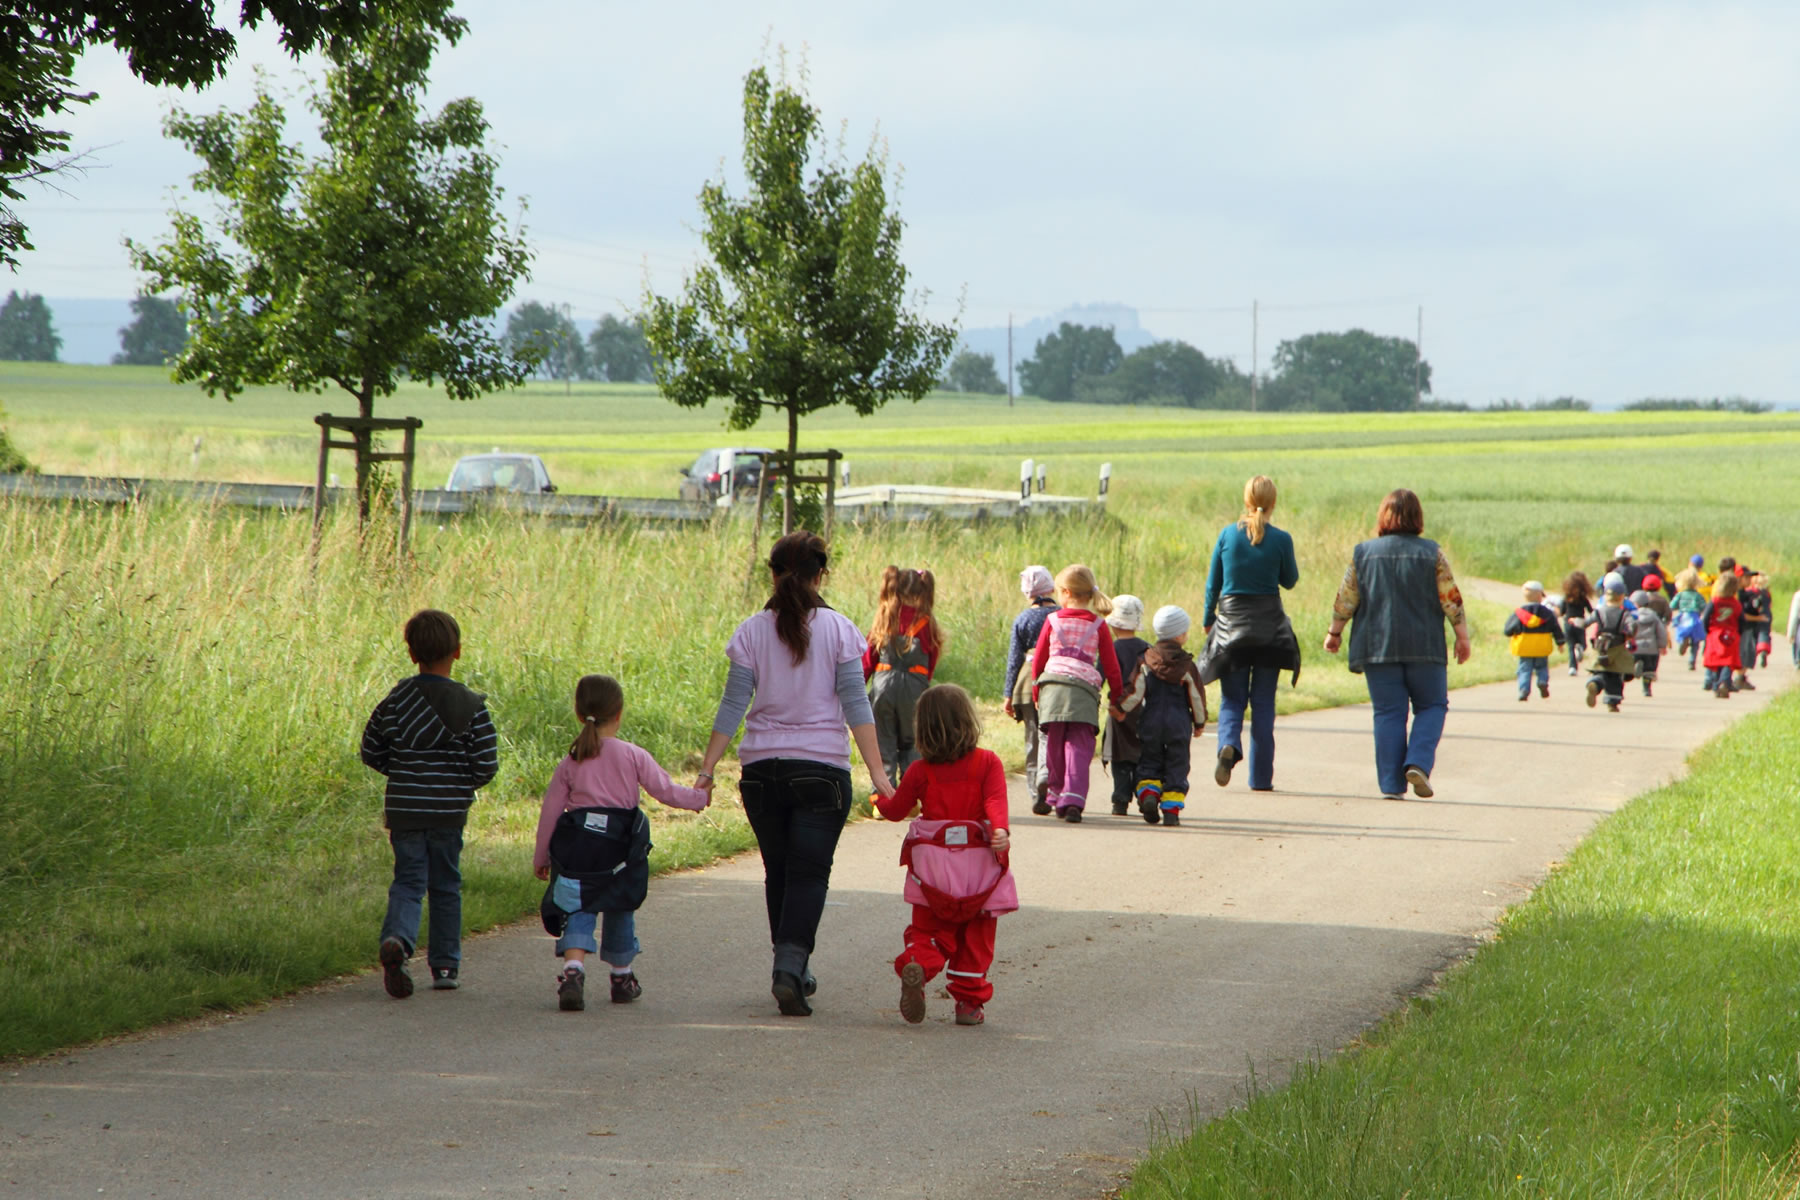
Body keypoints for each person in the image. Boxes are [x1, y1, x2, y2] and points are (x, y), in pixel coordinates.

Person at [697, 531, 896, 1016]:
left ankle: (791, 964)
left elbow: (732, 704)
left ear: (773, 572)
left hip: (761, 773)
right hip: (822, 772)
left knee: (779, 872)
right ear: (820, 574)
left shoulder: (750, 631)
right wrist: (879, 774)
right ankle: (789, 966)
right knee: (808, 875)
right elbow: (855, 703)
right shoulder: (841, 630)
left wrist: (706, 769)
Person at [533, 674, 710, 1012]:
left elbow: (551, 813)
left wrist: (542, 856)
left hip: (579, 849)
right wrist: (699, 798)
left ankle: (573, 969)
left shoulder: (571, 761)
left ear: (578, 712)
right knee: (619, 904)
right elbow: (665, 791)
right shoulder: (632, 754)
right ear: (619, 714)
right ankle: (621, 975)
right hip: (620, 849)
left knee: (577, 903)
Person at [361, 608, 499, 998]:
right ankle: (444, 965)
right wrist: (461, 782)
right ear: (457, 651)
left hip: (405, 808)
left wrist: (403, 772)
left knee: (408, 881)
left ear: (411, 654)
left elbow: (371, 749)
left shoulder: (395, 700)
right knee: (445, 885)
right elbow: (486, 763)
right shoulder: (471, 706)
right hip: (448, 811)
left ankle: (399, 942)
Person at [875, 685, 1014, 1028]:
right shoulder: (988, 763)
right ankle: (968, 1004)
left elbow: (896, 811)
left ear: (922, 728)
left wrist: (879, 800)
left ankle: (918, 966)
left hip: (934, 872)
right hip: (978, 871)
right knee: (976, 935)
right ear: (968, 721)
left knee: (929, 930)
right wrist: (999, 829)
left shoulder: (920, 771)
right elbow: (995, 801)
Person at [1323, 488, 1471, 801]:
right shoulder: (1432, 553)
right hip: (1425, 647)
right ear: (1418, 518)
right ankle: (1417, 762)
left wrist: (1334, 632)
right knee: (1432, 706)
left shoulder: (1363, 553)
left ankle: (1392, 785)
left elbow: (1347, 597)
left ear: (1383, 516)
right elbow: (1450, 598)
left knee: (1389, 713)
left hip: (1377, 647)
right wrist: (1462, 635)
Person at [1198, 474, 1301, 792]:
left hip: (1232, 626)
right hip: (1269, 628)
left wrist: (1207, 619)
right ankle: (1260, 778)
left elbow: (1213, 583)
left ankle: (1228, 745)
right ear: (1273, 503)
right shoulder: (1281, 538)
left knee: (1232, 698)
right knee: (1264, 704)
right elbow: (1290, 580)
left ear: (1246, 500)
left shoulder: (1227, 534)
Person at [1030, 563, 1124, 823]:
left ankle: (1055, 792)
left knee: (1055, 745)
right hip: (1083, 692)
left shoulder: (1051, 620)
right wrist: (1117, 696)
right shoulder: (1099, 626)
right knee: (1079, 746)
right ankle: (1073, 799)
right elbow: (1111, 666)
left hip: (1053, 689)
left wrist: (1037, 693)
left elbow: (1038, 661)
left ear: (1066, 592)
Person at [1118, 605, 1208, 826]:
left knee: (1149, 761)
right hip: (1178, 724)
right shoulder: (1187, 666)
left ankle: (1149, 794)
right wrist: (1199, 722)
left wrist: (1121, 709)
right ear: (1179, 635)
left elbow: (1136, 691)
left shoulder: (1146, 660)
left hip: (1150, 721)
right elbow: (1196, 697)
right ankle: (1171, 811)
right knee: (1178, 765)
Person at [864, 566, 942, 786]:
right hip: (915, 687)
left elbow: (869, 658)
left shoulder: (885, 616)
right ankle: (910, 794)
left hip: (883, 686)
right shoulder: (927, 622)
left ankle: (882, 796)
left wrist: (859, 684)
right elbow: (931, 660)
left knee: (883, 740)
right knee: (913, 741)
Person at [1003, 565, 1059, 808]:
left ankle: (1037, 792)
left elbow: (1014, 659)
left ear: (1027, 592)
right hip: (1057, 680)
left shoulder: (1023, 619)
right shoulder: (1061, 615)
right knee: (1054, 738)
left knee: (1032, 739)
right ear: (1052, 587)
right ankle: (1055, 785)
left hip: (1027, 683)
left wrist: (1007, 694)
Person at [1100, 595, 1149, 816]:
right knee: (1141, 753)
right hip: (1143, 708)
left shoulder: (1111, 648)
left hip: (1117, 707)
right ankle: (1143, 794)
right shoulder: (1148, 648)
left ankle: (1120, 801)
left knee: (1119, 756)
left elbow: (1099, 676)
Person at [1584, 574, 1636, 712]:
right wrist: (1631, 632)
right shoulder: (1625, 614)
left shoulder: (1598, 612)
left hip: (1600, 647)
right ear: (1622, 597)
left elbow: (1586, 622)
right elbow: (1631, 627)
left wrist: (1577, 623)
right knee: (1615, 676)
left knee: (1600, 672)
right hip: (1617, 647)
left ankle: (1594, 683)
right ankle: (1612, 702)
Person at [1504, 580, 1564, 701]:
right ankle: (1542, 682)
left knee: (1525, 669)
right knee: (1542, 667)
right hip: (1542, 647)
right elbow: (1556, 629)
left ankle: (1524, 690)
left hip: (1524, 646)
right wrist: (1560, 643)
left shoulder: (1519, 613)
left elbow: (1508, 630)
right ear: (1539, 596)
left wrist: (1513, 633)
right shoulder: (1548, 613)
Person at [1701, 573, 1743, 699]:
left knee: (1716, 661)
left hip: (1715, 633)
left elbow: (1705, 618)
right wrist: (1739, 633)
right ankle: (1724, 682)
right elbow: (1742, 621)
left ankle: (1716, 685)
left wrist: (1707, 631)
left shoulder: (1714, 602)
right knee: (1728, 661)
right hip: (1731, 635)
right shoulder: (1736, 604)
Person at [1628, 590, 1669, 697]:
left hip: (1635, 648)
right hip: (1651, 649)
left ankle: (1635, 666)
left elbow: (1627, 630)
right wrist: (1662, 646)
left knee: (1632, 660)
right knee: (1649, 670)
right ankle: (1646, 689)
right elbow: (1661, 632)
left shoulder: (1631, 616)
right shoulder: (1654, 616)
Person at [1737, 568, 1771, 690]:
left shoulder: (1746, 593)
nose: (1749, 579)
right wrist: (1758, 618)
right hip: (1746, 626)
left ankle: (1740, 677)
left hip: (1747, 625)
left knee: (1748, 653)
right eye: (1747, 577)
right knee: (1746, 652)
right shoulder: (1741, 594)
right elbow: (1743, 614)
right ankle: (1737, 678)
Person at [1670, 568, 1708, 671]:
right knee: (1695, 642)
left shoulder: (1680, 595)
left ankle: (1683, 641)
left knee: (1682, 632)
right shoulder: (1698, 596)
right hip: (1695, 618)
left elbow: (1672, 605)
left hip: (1684, 617)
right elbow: (1704, 607)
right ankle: (1692, 661)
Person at [1561, 572, 1594, 677]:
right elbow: (1591, 611)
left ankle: (1572, 668)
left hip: (1568, 622)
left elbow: (1562, 611)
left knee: (1570, 646)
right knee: (1583, 644)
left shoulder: (1566, 598)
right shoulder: (1583, 599)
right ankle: (1580, 647)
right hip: (1580, 622)